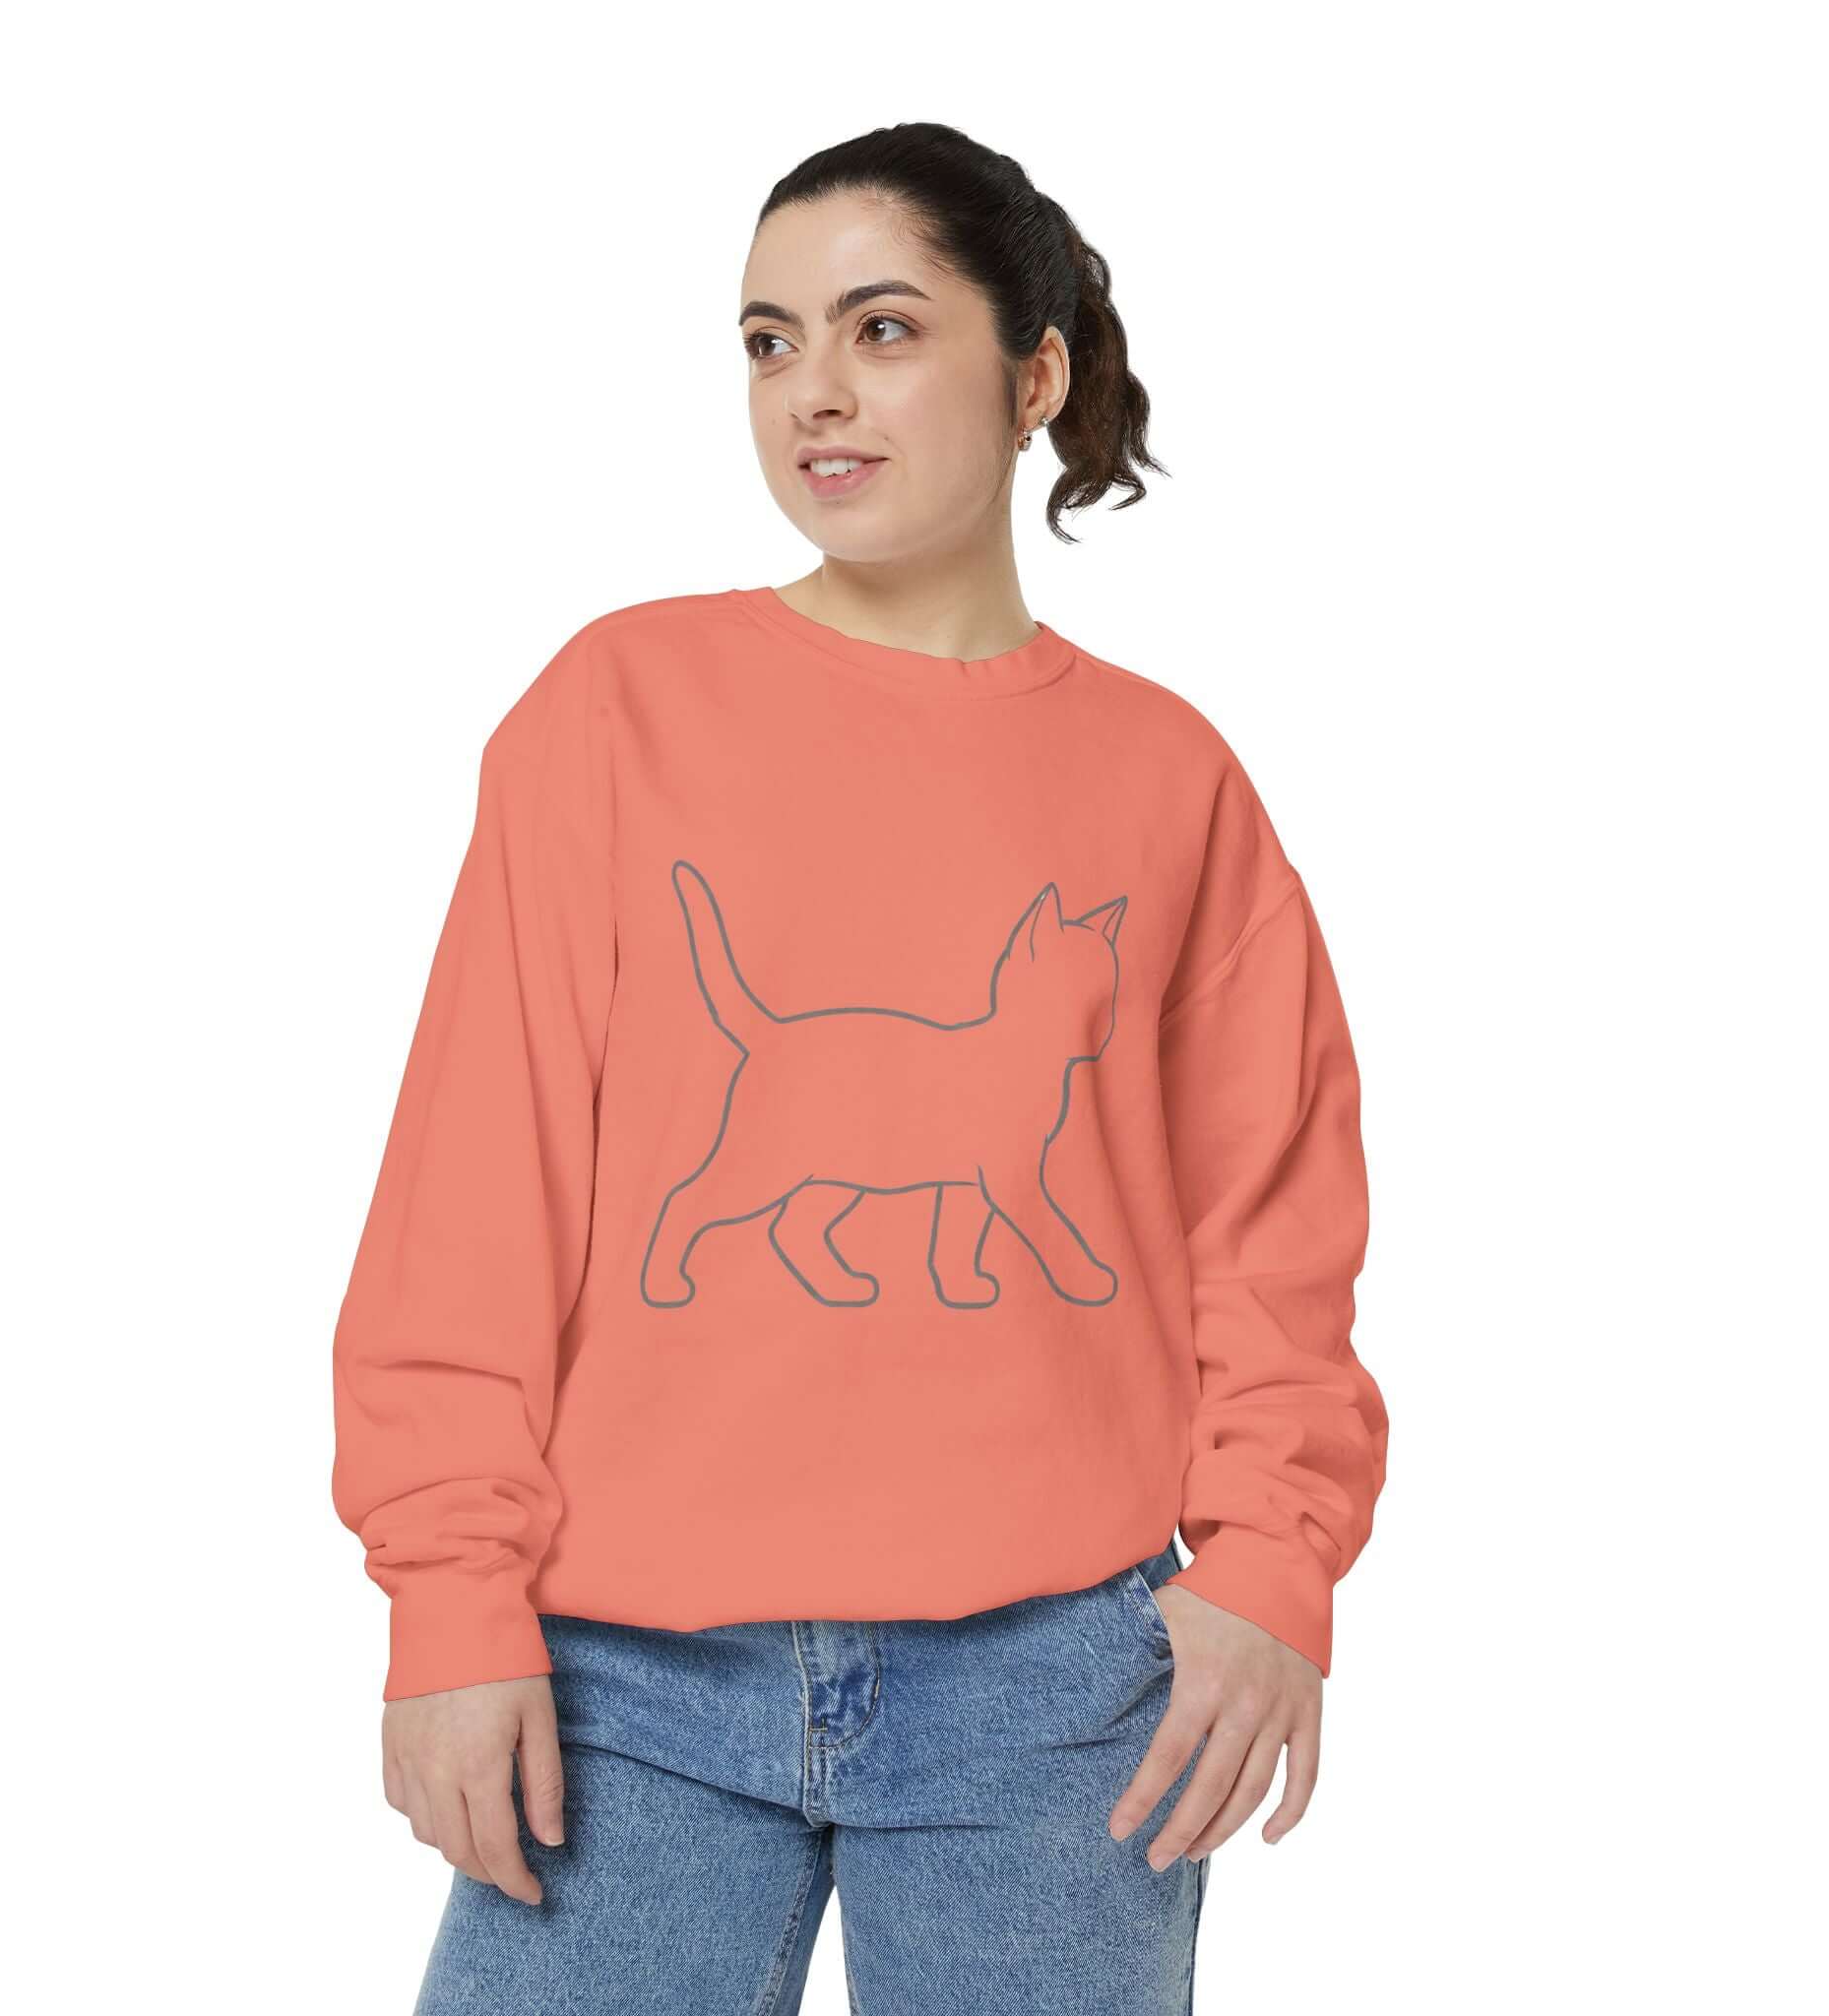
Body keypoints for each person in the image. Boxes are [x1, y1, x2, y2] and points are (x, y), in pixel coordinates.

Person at [331, 119, 1388, 2015]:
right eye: (769, 341)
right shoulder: (613, 710)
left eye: (882, 329)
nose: (812, 390)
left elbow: (1274, 1225)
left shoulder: (1171, 780)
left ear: (1035, 373)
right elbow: (475, 1189)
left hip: (1063, 1691)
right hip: (621, 1676)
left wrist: (1268, 1568)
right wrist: (448, 1595)